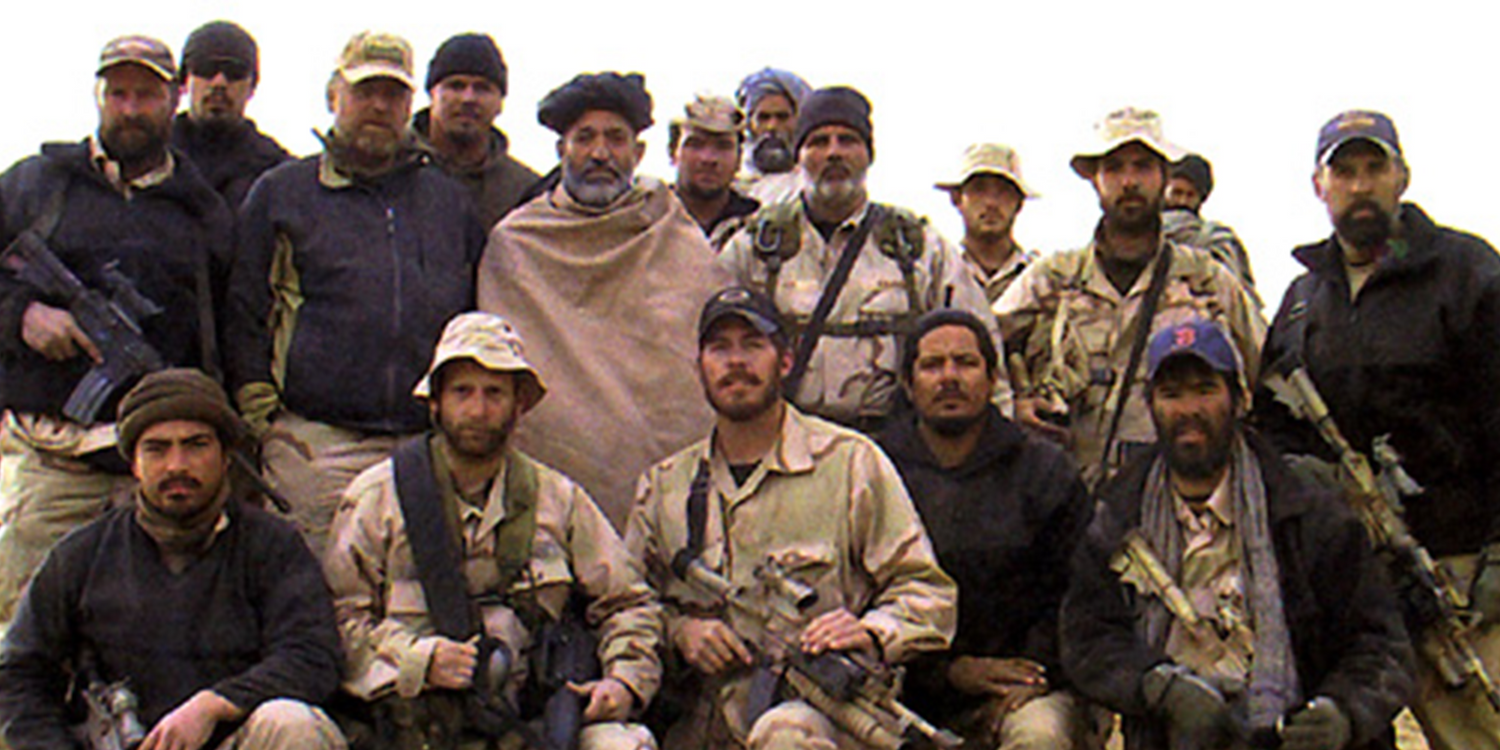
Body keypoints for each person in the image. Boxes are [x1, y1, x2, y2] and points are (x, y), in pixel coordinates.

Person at [1252, 110, 1500, 750]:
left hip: (1458, 569)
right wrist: (1306, 478)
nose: (1360, 186)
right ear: (1319, 185)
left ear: (1402, 177)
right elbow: (1272, 424)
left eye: (1374, 168)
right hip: (1350, 580)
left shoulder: (1468, 274)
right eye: (1344, 172)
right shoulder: (1304, 299)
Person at [626, 287, 956, 750]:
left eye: (753, 344)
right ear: (699, 366)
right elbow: (625, 608)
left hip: (819, 720)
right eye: (720, 348)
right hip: (695, 723)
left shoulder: (850, 464)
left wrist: (870, 632)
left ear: (785, 361)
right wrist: (682, 631)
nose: (736, 361)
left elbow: (928, 592)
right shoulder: (663, 488)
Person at [1061, 320, 1415, 750]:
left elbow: (1381, 643)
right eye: (1172, 394)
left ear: (1240, 399)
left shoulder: (1309, 510)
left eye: (1205, 390)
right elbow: (1088, 638)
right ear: (1150, 405)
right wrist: (1159, 688)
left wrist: (1341, 713)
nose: (1189, 409)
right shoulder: (1116, 515)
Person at [324, 312, 660, 750]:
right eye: (462, 391)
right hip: (410, 731)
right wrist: (417, 661)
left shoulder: (559, 500)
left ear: (519, 404)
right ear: (435, 401)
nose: (478, 410)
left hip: (526, 727)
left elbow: (628, 601)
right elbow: (333, 621)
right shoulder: (376, 499)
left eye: (494, 393)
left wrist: (623, 682)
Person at [0, 34, 231, 633]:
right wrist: (22, 315)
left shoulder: (201, 211)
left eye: (148, 94)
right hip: (53, 458)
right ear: (99, 96)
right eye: (119, 93)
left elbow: (225, 330)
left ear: (175, 97)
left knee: (150, 633)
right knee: (24, 630)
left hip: (155, 470)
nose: (131, 108)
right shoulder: (35, 184)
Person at [225, 31, 485, 556]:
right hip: (316, 445)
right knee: (311, 602)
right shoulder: (282, 194)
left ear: (412, 104)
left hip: (424, 446)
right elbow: (242, 314)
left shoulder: (449, 203)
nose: (379, 106)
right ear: (333, 94)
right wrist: (266, 423)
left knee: (418, 605)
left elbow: (473, 316)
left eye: (394, 95)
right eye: (365, 91)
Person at [0, 368, 346, 750]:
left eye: (196, 445)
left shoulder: (271, 547)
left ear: (226, 456)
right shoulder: (82, 555)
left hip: (232, 739)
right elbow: (20, 673)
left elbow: (313, 657)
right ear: (133, 463)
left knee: (293, 725)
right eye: (157, 448)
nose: (177, 465)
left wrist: (214, 705)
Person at [477, 71, 727, 526]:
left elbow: (693, 372)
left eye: (615, 138)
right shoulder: (516, 245)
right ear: (560, 151)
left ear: (638, 152)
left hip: (668, 490)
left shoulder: (677, 236)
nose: (600, 153)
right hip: (549, 494)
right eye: (584, 138)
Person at [994, 106, 1262, 486]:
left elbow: (1264, 367)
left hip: (1174, 504)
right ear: (1096, 180)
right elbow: (974, 346)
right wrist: (1012, 405)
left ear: (1165, 176)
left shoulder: (1207, 281)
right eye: (1115, 168)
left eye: (1142, 167)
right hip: (1066, 501)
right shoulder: (1052, 279)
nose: (1129, 181)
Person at [719, 86, 1010, 434]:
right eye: (818, 142)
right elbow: (714, 354)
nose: (834, 153)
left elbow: (981, 349)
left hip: (892, 452)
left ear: (869, 155)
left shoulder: (918, 247)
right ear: (799, 156)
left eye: (848, 140)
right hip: (782, 446)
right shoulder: (756, 246)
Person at [876, 309, 1097, 749]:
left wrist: (1034, 671)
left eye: (966, 362)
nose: (949, 377)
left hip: (1022, 685)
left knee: (1040, 735)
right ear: (908, 383)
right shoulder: (873, 470)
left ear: (993, 377)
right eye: (932, 365)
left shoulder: (1045, 471)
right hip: (896, 689)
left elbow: (1080, 594)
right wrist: (950, 673)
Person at [410, 33, 540, 230]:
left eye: (482, 88)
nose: (468, 98)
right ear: (431, 94)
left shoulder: (525, 194)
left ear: (500, 104)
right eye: (456, 86)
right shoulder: (392, 170)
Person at [171, 20, 293, 209]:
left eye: (235, 71)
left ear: (252, 86)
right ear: (184, 80)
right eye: (206, 68)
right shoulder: (148, 158)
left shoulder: (279, 175)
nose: (219, 82)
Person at [934, 143, 1039, 303]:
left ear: (1019, 203)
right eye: (979, 190)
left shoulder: (1039, 278)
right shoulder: (938, 274)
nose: (991, 202)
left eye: (1003, 191)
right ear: (956, 199)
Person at [1161, 154, 1261, 308]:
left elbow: (1238, 297)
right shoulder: (1136, 235)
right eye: (1177, 192)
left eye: (1190, 195)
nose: (1182, 201)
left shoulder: (1217, 239)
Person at [667, 93, 759, 246]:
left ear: (739, 158)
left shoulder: (757, 226)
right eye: (695, 144)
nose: (708, 158)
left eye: (723, 146)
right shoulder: (646, 220)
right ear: (673, 152)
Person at [733, 67, 811, 205]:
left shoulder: (811, 183)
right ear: (750, 124)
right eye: (763, 118)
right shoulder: (733, 181)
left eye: (782, 117)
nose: (772, 126)